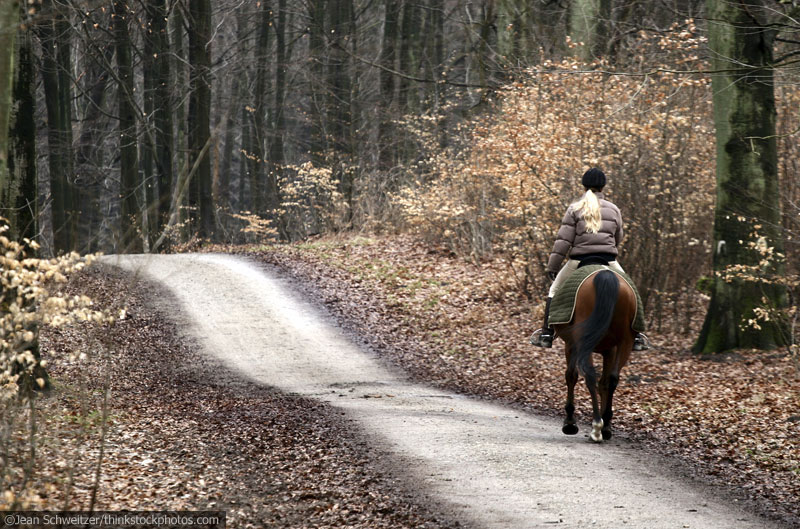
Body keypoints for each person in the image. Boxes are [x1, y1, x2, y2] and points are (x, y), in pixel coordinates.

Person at [530, 168, 649, 350]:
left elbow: (563, 241)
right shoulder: (614, 209)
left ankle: (546, 333)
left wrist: (552, 267)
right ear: (603, 186)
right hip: (608, 260)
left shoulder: (575, 208)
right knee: (631, 289)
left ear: (584, 186)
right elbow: (618, 238)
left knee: (554, 289)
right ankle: (637, 335)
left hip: (579, 260)